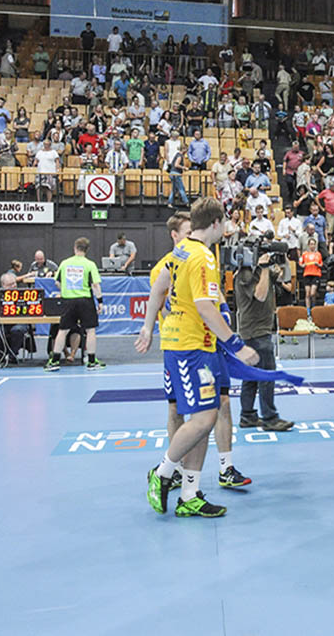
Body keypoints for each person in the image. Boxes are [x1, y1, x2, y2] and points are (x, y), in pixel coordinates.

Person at [137, 198, 259, 518]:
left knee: (202, 419)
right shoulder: (203, 256)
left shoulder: (180, 251)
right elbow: (206, 307)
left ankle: (190, 493)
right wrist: (236, 345)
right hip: (190, 346)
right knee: (204, 418)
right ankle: (162, 473)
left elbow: (158, 289)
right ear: (216, 223)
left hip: (189, 344)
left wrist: (148, 327)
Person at [235, 248, 295, 431]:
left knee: (251, 376)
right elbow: (260, 295)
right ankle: (270, 418)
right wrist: (265, 267)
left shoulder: (261, 271)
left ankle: (248, 416)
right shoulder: (245, 274)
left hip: (259, 329)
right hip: (255, 331)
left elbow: (284, 278)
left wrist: (281, 260)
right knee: (267, 375)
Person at [44, 238, 106, 371]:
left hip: (68, 301)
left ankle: (54, 361)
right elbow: (95, 284)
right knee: (90, 330)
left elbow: (57, 282)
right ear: (87, 250)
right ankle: (91, 361)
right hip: (85, 300)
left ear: (75, 248)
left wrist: (66, 290)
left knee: (63, 330)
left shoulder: (65, 263)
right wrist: (100, 301)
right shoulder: (90, 264)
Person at [0, 272, 29, 365]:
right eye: (10, 285)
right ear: (3, 285)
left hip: (19, 322)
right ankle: (1, 354)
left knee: (18, 330)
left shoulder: (24, 294)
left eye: (14, 283)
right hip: (1, 323)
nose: (13, 286)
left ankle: (12, 355)